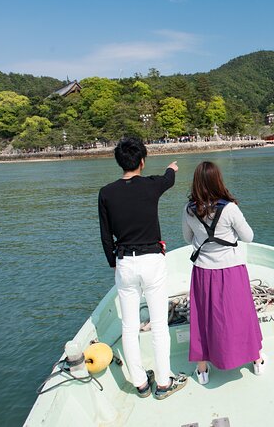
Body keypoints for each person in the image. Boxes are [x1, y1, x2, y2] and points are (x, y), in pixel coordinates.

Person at [98, 137, 188, 399]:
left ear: (119, 162)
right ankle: (163, 382)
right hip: (152, 262)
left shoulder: (106, 192)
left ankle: (140, 383)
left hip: (125, 261)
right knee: (159, 324)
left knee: (129, 326)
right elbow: (168, 179)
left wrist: (114, 262)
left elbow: (105, 236)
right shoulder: (151, 185)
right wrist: (172, 168)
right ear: (142, 161)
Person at [182, 161, 264, 385]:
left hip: (203, 271)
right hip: (231, 269)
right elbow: (248, 237)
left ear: (196, 182)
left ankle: (202, 369)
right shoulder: (230, 208)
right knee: (241, 313)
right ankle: (256, 360)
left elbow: (188, 238)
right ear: (218, 180)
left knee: (203, 318)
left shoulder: (189, 209)